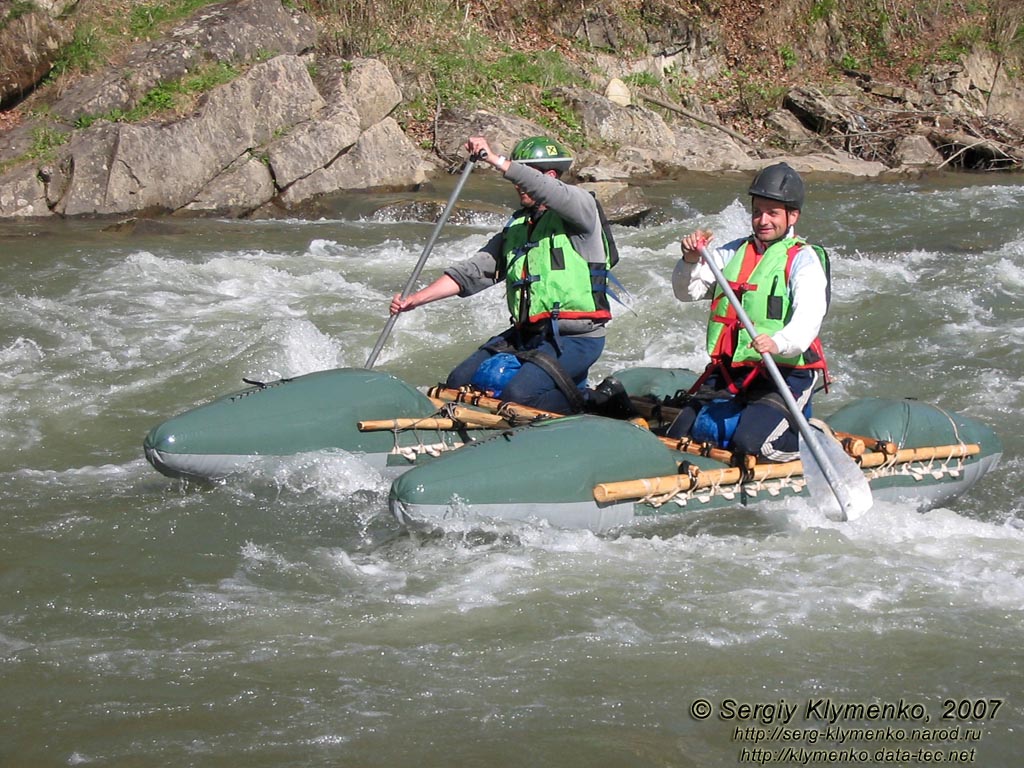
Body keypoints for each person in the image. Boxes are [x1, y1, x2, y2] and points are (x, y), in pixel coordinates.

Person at [389, 134, 623, 414]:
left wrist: (495, 159)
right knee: (458, 383)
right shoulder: (518, 227)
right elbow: (473, 272)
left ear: (549, 176)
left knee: (518, 397)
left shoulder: (580, 210)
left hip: (577, 338)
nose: (517, 184)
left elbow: (550, 191)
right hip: (529, 335)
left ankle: (599, 402)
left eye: (525, 175)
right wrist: (416, 299)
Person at [667, 162, 831, 462]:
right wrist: (690, 260)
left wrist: (778, 342)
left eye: (773, 213)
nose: (763, 220)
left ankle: (811, 436)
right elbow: (686, 292)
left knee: (751, 446)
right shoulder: (731, 252)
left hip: (785, 371)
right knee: (676, 436)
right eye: (758, 212)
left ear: (792, 215)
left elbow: (809, 317)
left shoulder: (803, 259)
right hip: (736, 370)